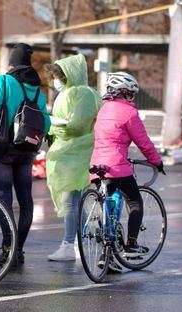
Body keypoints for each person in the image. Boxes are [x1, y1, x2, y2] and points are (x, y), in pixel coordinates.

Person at [0, 43, 51, 266]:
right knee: (26, 200)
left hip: (3, 149)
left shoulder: (4, 81)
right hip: (27, 150)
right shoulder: (38, 89)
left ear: (11, 63)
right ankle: (19, 250)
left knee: (4, 199)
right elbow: (46, 122)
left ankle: (7, 250)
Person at [91, 72, 165, 271]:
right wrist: (157, 162)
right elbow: (144, 143)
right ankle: (131, 244)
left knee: (108, 207)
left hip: (97, 164)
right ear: (123, 93)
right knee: (134, 202)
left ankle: (106, 256)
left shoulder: (103, 109)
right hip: (117, 165)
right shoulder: (129, 113)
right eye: (131, 94)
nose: (132, 98)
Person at [44, 54, 102, 262]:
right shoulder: (68, 94)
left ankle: (69, 245)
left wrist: (53, 126)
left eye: (59, 77)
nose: (56, 81)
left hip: (77, 153)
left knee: (70, 201)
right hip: (68, 153)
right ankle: (80, 242)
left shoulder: (83, 94)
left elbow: (77, 125)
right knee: (74, 202)